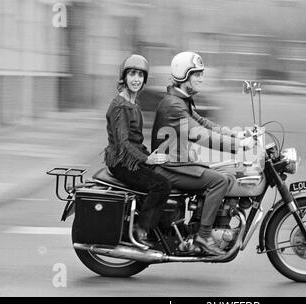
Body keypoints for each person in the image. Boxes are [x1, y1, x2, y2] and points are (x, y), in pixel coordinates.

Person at [151, 52, 254, 256]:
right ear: (183, 76)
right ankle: (204, 236)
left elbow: (205, 124)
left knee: (223, 174)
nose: (201, 78)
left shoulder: (181, 101)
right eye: (196, 74)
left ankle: (201, 227)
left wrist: (236, 134)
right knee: (219, 181)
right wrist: (238, 146)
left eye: (201, 74)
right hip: (169, 167)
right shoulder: (174, 105)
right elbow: (201, 135)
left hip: (178, 163)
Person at [104, 54, 171, 248]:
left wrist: (154, 155)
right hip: (122, 162)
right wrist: (146, 160)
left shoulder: (132, 103)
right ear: (124, 77)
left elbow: (135, 140)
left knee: (167, 173)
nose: (136, 79)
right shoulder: (120, 106)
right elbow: (123, 142)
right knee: (161, 185)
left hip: (132, 158)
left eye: (140, 75)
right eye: (132, 74)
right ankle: (141, 229)